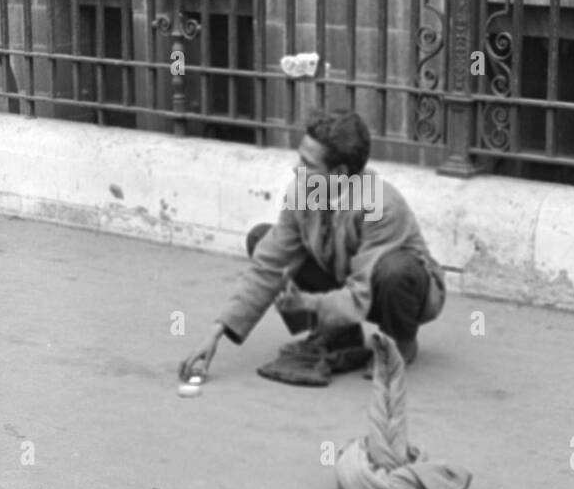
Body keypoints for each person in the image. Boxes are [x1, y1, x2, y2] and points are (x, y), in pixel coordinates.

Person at [178, 109, 446, 386]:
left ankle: (400, 342)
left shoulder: (381, 205)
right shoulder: (304, 193)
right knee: (261, 238)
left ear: (339, 173)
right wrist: (216, 331)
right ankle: (339, 335)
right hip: (345, 276)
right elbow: (270, 264)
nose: (296, 169)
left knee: (395, 270)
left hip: (392, 289)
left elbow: (362, 290)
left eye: (307, 164)